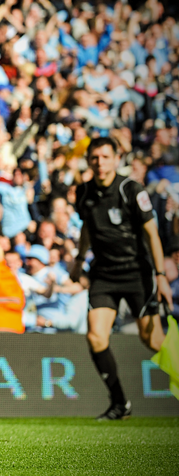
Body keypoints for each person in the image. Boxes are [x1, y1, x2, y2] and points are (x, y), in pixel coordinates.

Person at [71, 136, 173, 420]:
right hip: (104, 274)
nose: (99, 163)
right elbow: (87, 227)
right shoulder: (83, 192)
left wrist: (161, 275)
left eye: (105, 157)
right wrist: (79, 259)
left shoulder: (131, 189)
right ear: (88, 160)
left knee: (152, 340)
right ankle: (120, 404)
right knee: (96, 336)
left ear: (117, 159)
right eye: (94, 158)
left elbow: (152, 234)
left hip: (136, 273)